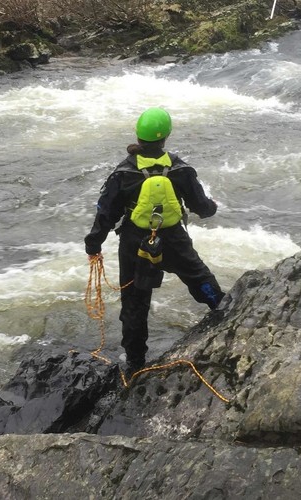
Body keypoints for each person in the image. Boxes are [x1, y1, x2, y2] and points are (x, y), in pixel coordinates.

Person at [84, 107, 225, 374]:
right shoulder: (180, 168)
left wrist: (94, 244)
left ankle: (135, 363)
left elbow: (106, 213)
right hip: (173, 239)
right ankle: (223, 309)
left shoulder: (124, 172)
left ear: (138, 136)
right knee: (199, 277)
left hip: (135, 244)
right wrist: (212, 207)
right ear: (166, 137)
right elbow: (202, 207)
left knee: (135, 303)